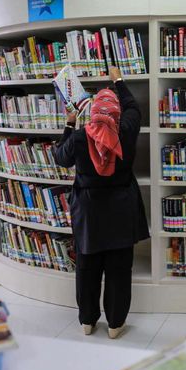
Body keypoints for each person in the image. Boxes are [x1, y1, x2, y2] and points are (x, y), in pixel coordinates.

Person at [53, 66, 149, 339]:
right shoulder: (126, 131)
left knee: (87, 268)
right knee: (119, 270)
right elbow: (134, 108)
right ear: (116, 115)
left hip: (89, 213)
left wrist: (70, 123)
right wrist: (117, 80)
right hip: (121, 210)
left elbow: (60, 158)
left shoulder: (81, 137)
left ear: (93, 114)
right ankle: (116, 324)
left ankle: (87, 321)